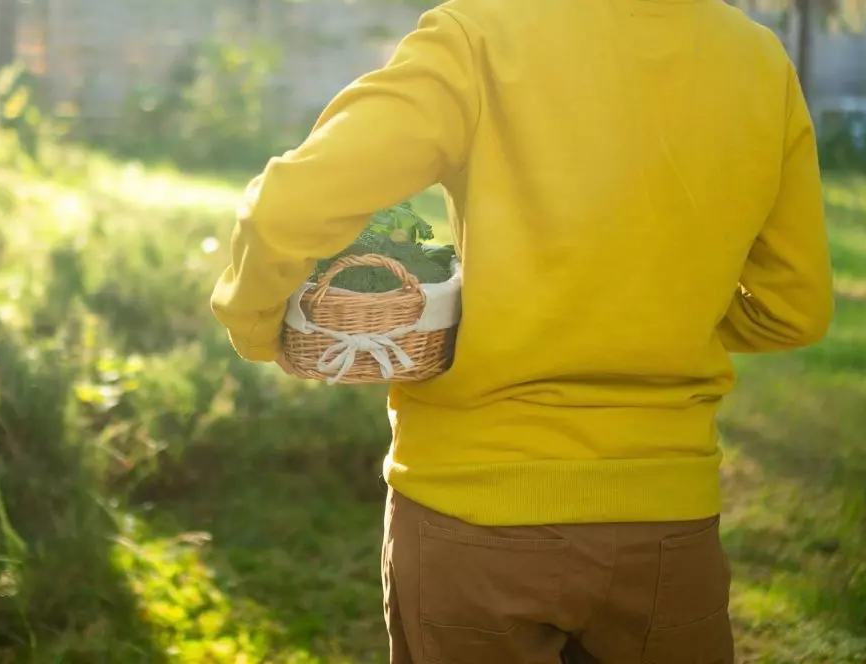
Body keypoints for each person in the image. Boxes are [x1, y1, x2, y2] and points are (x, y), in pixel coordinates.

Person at [209, 0, 834, 660]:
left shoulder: (479, 35)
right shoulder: (759, 60)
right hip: (667, 526)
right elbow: (794, 306)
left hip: (472, 518)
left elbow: (290, 206)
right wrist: (658, 313)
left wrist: (257, 327)